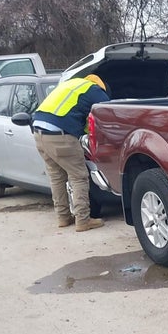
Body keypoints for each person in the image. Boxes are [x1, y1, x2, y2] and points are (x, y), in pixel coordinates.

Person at [32, 74, 110, 231]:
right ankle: (83, 220)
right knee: (79, 177)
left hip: (39, 132)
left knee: (56, 177)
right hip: (60, 135)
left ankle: (63, 217)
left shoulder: (72, 84)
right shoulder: (96, 90)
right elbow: (108, 114)